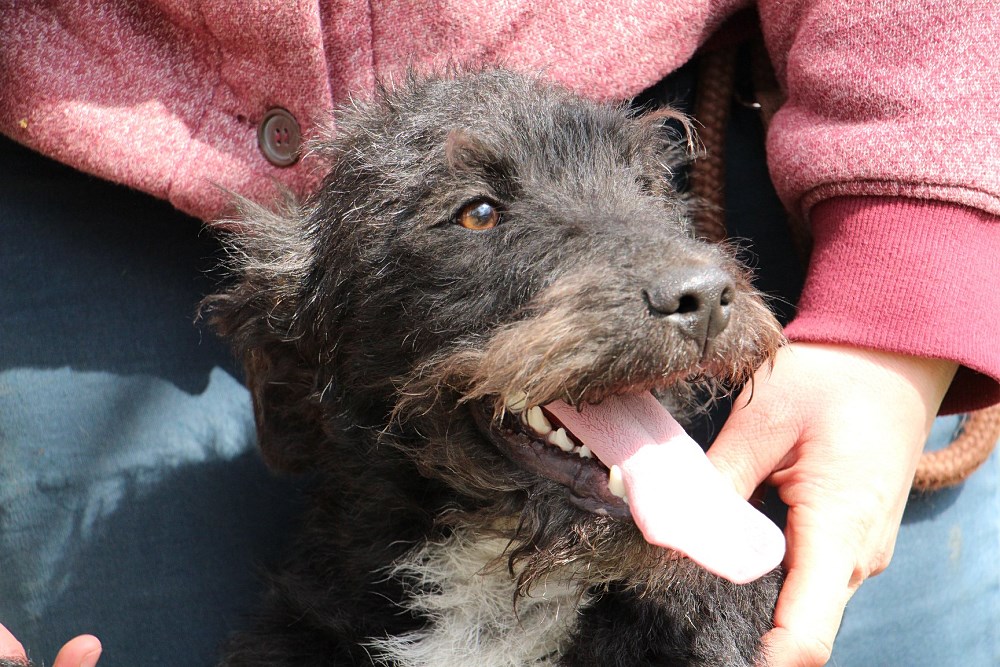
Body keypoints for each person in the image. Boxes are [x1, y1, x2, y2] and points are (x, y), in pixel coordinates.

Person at [2, 2, 998, 666]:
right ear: (295, 363)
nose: (685, 273)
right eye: (478, 213)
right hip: (79, 195)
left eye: (643, 183)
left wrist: (904, 275)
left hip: (755, 110)